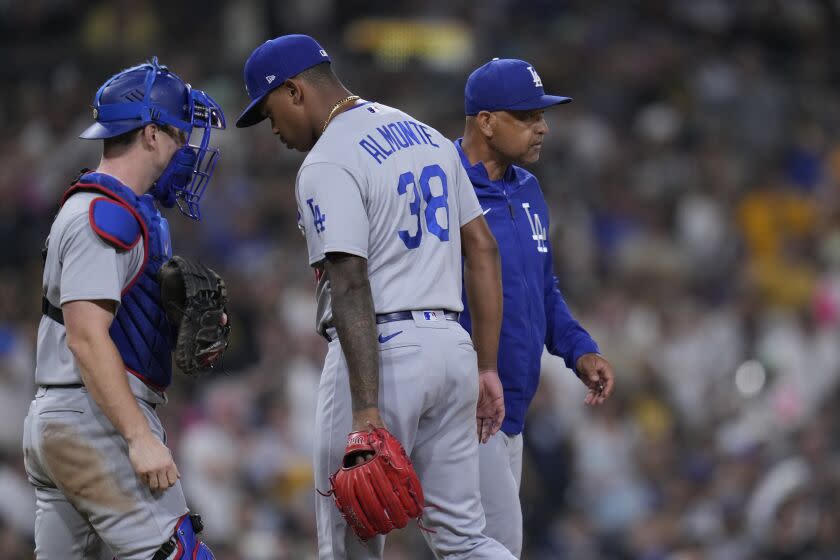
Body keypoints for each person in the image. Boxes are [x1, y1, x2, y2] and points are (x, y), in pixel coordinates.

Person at [235, 35, 516, 559]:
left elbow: (349, 281)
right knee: (465, 540)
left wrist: (366, 409)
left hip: (380, 356)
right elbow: (483, 248)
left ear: (295, 91)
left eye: (269, 112)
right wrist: (485, 365)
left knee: (348, 546)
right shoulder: (427, 135)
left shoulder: (326, 161)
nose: (271, 129)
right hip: (451, 346)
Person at [22, 58, 225, 559]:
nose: (185, 148)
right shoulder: (104, 213)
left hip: (69, 416)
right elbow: (87, 336)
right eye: (179, 133)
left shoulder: (118, 206)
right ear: (151, 134)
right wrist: (137, 436)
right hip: (94, 421)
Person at [455, 58, 616, 557]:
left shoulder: (528, 190)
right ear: (485, 121)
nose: (542, 126)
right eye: (526, 116)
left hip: (513, 410)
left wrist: (579, 350)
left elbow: (543, 291)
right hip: (465, 404)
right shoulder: (441, 186)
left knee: (496, 547)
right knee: (487, 547)